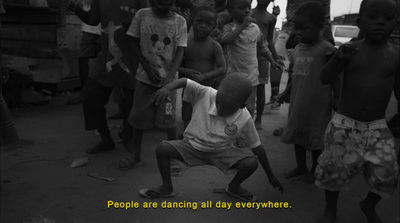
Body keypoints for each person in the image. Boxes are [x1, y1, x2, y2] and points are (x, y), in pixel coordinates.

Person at [314, 0, 400, 222]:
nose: (381, 22)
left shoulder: (396, 55)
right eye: (373, 17)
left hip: (378, 129)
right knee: (333, 172)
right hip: (344, 126)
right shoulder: (351, 50)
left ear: (396, 23)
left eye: (388, 18)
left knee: (387, 174)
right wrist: (338, 59)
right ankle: (330, 210)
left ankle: (368, 205)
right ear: (361, 22)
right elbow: (325, 78)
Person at [138, 73, 283, 201]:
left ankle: (234, 187)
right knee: (162, 148)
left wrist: (270, 175)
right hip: (192, 146)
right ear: (218, 91)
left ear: (242, 105)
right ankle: (166, 187)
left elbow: (258, 148)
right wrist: (167, 88)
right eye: (218, 102)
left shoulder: (244, 118)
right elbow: (184, 81)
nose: (219, 109)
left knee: (251, 163)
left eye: (226, 107)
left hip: (221, 152)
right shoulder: (206, 93)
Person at [68, 0, 148, 154]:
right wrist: (77, 10)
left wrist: (136, 22)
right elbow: (93, 20)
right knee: (91, 98)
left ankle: (128, 137)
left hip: (132, 55)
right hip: (106, 55)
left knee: (130, 104)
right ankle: (106, 140)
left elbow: (150, 18)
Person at [117, 0, 187, 170]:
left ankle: (171, 156)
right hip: (144, 79)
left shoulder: (180, 21)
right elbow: (132, 42)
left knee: (169, 120)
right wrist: (147, 68)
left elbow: (180, 50)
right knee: (139, 117)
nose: (165, 5)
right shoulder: (142, 15)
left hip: (168, 85)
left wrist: (171, 77)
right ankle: (135, 155)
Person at [279, 2, 336, 184]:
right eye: (296, 28)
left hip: (318, 104)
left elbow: (337, 76)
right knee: (298, 135)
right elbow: (295, 76)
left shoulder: (326, 50)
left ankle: (314, 170)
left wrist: (338, 99)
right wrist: (285, 92)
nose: (298, 32)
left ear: (320, 28)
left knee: (316, 140)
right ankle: (301, 166)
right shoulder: (296, 51)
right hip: (298, 102)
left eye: (304, 28)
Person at [221, 0, 282, 117]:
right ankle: (233, 132)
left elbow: (262, 47)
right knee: (234, 106)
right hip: (234, 76)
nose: (247, 10)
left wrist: (272, 61)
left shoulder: (255, 28)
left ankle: (246, 132)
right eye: (242, 8)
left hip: (252, 76)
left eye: (248, 7)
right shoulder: (229, 28)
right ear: (231, 12)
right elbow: (226, 40)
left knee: (249, 108)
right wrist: (243, 25)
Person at [179, 5, 226, 131]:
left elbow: (222, 68)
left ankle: (204, 138)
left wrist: (204, 76)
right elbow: (176, 67)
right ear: (192, 21)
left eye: (208, 23)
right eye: (199, 21)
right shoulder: (186, 44)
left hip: (208, 89)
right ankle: (187, 136)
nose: (203, 26)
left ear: (213, 27)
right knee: (187, 114)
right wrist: (186, 72)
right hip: (189, 87)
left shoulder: (214, 46)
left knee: (207, 115)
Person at [251, 0, 283, 129]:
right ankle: (245, 118)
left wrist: (275, 58)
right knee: (245, 87)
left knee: (260, 88)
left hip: (263, 57)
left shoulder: (271, 18)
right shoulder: (249, 13)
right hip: (247, 55)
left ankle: (258, 119)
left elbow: (269, 40)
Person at [67, 0, 101, 105]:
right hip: (89, 28)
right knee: (83, 58)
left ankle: (120, 102)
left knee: (109, 61)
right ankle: (84, 93)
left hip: (105, 28)